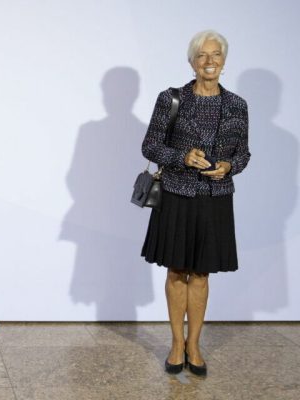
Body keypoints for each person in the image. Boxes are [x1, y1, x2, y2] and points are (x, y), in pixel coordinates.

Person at [141, 30, 250, 376]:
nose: (209, 61)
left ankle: (194, 345)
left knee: (201, 273)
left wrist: (230, 166)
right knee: (177, 271)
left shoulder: (237, 105)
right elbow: (150, 147)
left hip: (215, 199)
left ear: (224, 61)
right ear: (192, 61)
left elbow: (244, 153)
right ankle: (176, 344)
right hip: (176, 193)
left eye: (216, 55)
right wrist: (183, 157)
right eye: (203, 55)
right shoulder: (170, 99)